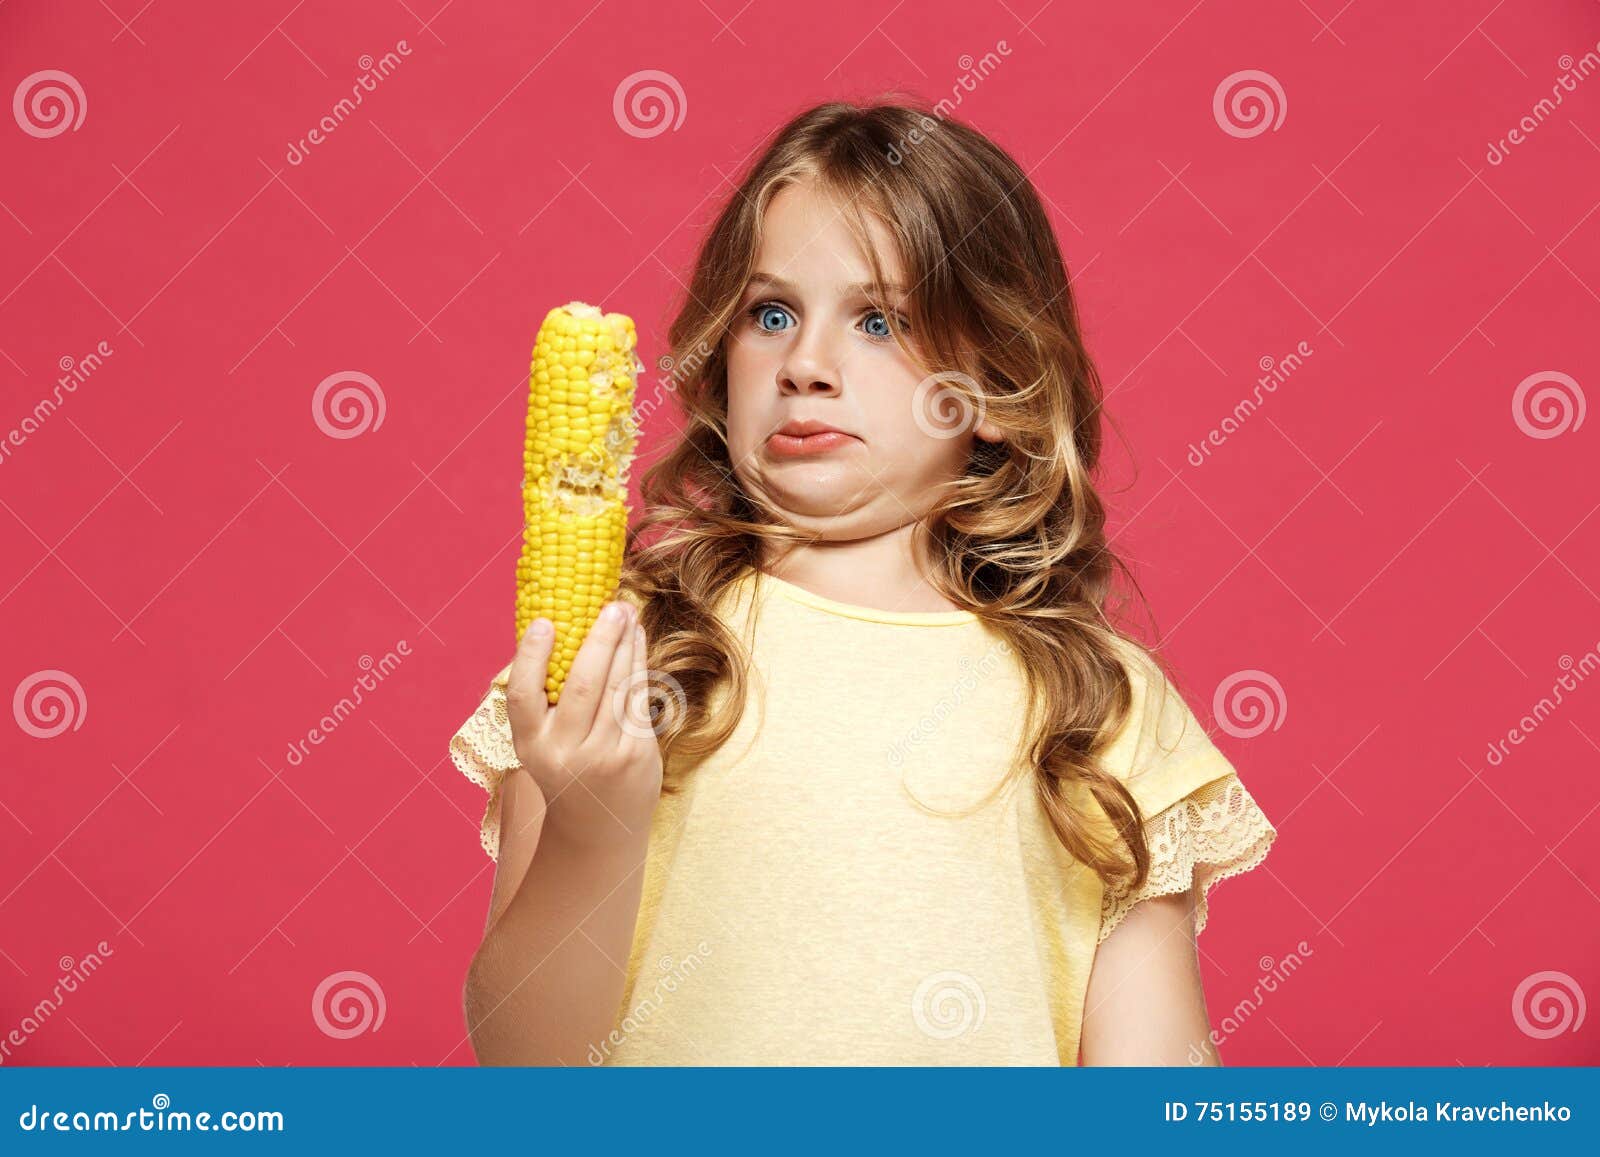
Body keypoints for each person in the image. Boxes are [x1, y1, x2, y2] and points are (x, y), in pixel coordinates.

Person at [450, 98, 1278, 1066]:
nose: (804, 363)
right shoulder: (619, 653)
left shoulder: (1099, 703)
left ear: (995, 387)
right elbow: (523, 1060)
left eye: (878, 320)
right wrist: (591, 832)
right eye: (770, 315)